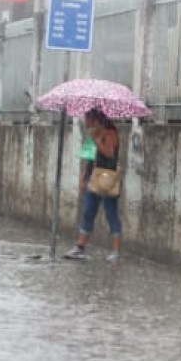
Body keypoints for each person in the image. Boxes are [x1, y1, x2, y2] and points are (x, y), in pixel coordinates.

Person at [64, 108, 122, 262]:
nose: (85, 121)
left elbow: (110, 154)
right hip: (93, 178)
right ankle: (80, 247)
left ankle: (116, 252)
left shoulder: (111, 133)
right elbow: (89, 157)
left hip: (108, 180)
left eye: (87, 118)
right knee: (88, 211)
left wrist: (97, 142)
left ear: (95, 120)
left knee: (111, 214)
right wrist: (83, 177)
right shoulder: (92, 134)